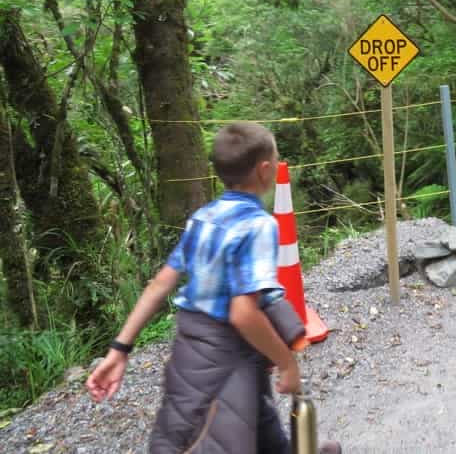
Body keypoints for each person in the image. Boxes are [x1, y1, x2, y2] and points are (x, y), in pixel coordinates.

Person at [85, 122, 341, 454]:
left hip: (189, 353)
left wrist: (119, 349)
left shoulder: (203, 218)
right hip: (228, 358)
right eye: (276, 160)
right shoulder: (258, 226)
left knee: (254, 422)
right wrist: (287, 362)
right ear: (265, 171)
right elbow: (243, 313)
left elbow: (160, 284)